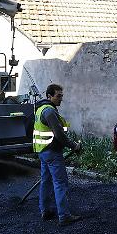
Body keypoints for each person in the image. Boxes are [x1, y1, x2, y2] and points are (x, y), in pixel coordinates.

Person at [33, 84, 82, 226]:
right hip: (52, 152)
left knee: (46, 181)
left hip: (42, 151)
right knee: (60, 183)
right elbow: (59, 134)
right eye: (58, 95)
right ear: (49, 96)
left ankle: (45, 210)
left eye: (61, 95)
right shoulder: (49, 111)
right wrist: (74, 146)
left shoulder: (40, 109)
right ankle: (64, 216)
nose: (61, 98)